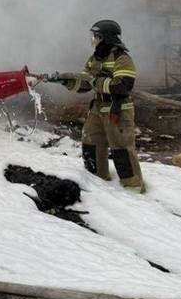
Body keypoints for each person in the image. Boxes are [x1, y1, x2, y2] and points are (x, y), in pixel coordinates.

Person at [48, 20, 144, 193]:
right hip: (98, 109)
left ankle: (133, 187)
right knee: (90, 142)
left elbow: (122, 85)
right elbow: (85, 85)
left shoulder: (121, 58)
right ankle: (97, 182)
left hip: (118, 110)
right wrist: (65, 81)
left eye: (96, 36)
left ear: (105, 37)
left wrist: (96, 81)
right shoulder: (94, 59)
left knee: (121, 147)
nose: (93, 40)